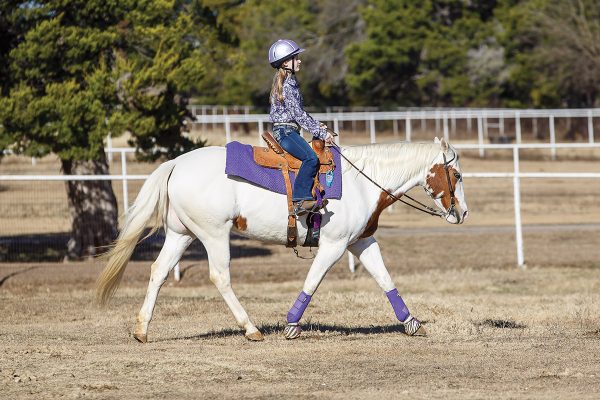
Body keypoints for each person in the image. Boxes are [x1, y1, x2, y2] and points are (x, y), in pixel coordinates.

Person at [268, 39, 335, 216]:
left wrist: (316, 125)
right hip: (286, 132)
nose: (299, 61)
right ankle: (299, 201)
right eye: (295, 58)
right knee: (311, 159)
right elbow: (298, 115)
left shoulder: (289, 82)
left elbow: (299, 113)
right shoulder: (288, 85)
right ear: (285, 62)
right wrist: (321, 132)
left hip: (289, 129)